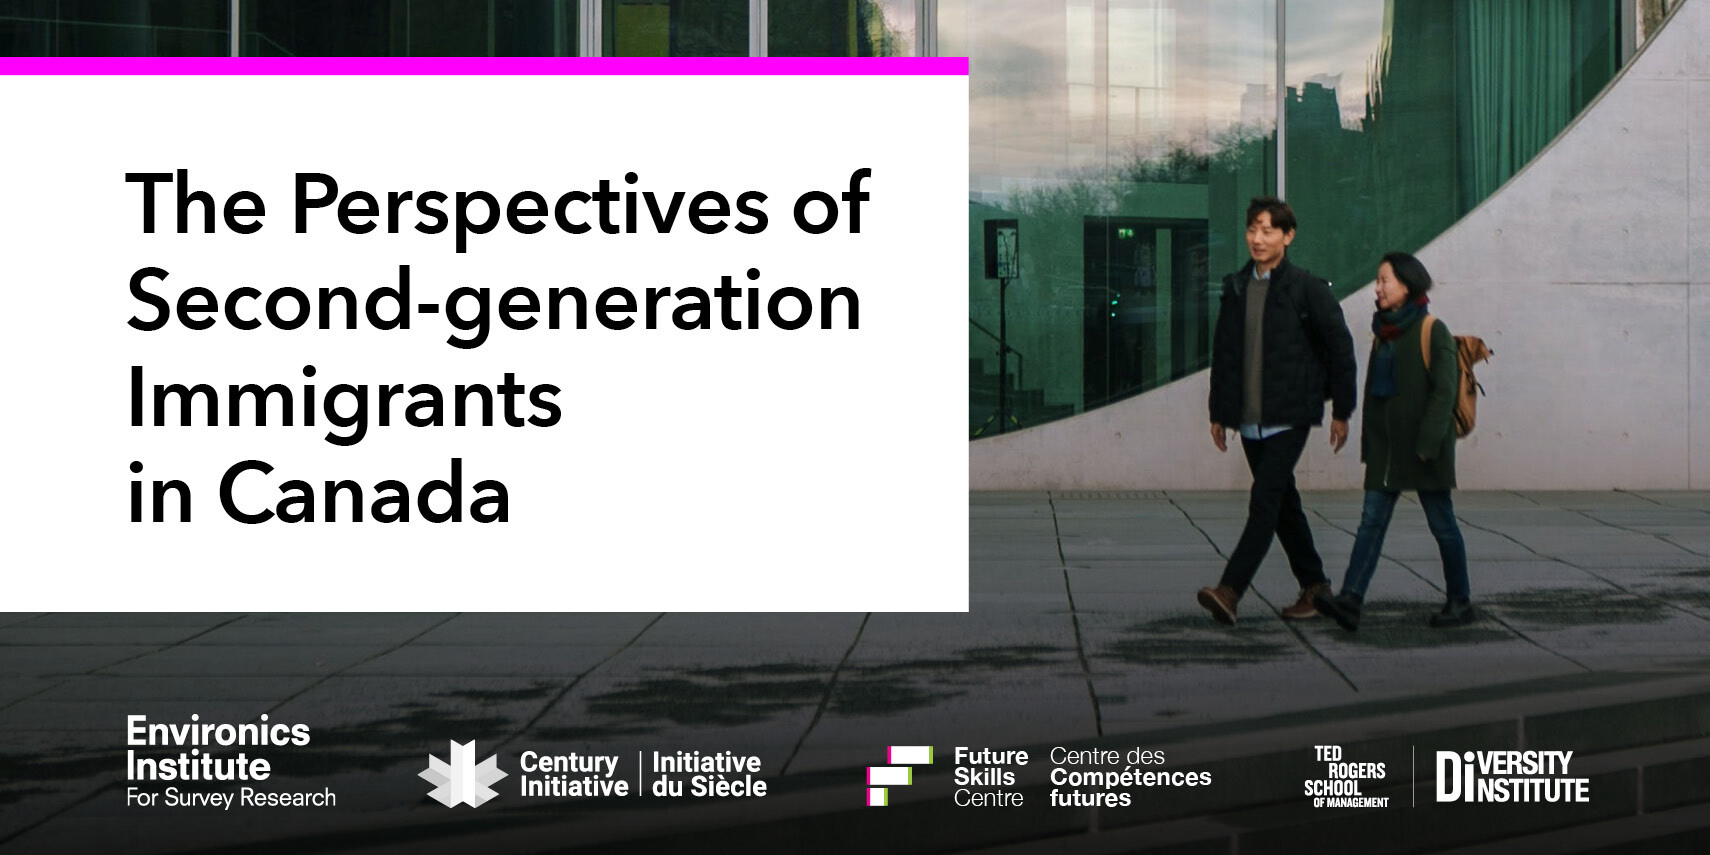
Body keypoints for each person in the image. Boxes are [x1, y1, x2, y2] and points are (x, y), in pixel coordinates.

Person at [1198, 197, 1357, 625]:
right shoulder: (1235, 287)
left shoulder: (1307, 288)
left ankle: (1230, 591)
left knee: (1264, 503)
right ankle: (1316, 586)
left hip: (1291, 413)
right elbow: (1225, 353)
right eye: (1253, 228)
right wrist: (1219, 412)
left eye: (1269, 230)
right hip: (1249, 419)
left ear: (1288, 236)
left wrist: (1342, 409)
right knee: (1284, 505)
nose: (1258, 238)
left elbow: (1341, 348)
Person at [1314, 251, 1473, 630]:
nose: (1378, 288)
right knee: (1371, 521)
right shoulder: (1384, 331)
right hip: (1387, 450)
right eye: (1378, 280)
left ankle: (1460, 600)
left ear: (1407, 283)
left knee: (1442, 523)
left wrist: (1428, 444)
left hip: (1424, 449)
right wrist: (1369, 441)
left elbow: (1444, 391)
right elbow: (1375, 393)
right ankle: (1351, 599)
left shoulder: (1432, 329)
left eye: (1385, 280)